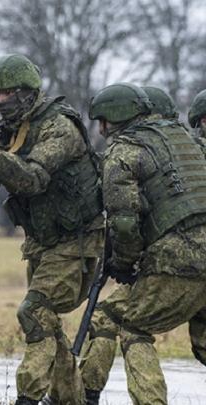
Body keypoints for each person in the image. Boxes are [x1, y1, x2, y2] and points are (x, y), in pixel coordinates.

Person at [0, 54, 103, 404]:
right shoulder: (13, 130)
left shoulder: (59, 126)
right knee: (47, 324)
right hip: (43, 243)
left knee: (34, 312)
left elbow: (33, 179)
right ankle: (71, 398)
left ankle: (27, 396)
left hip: (76, 242)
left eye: (6, 94)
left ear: (27, 92)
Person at [87, 82, 206, 404]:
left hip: (179, 259)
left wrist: (123, 263)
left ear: (118, 117)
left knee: (135, 329)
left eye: (104, 122)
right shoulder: (189, 142)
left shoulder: (124, 151)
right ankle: (85, 391)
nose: (101, 129)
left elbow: (124, 222)